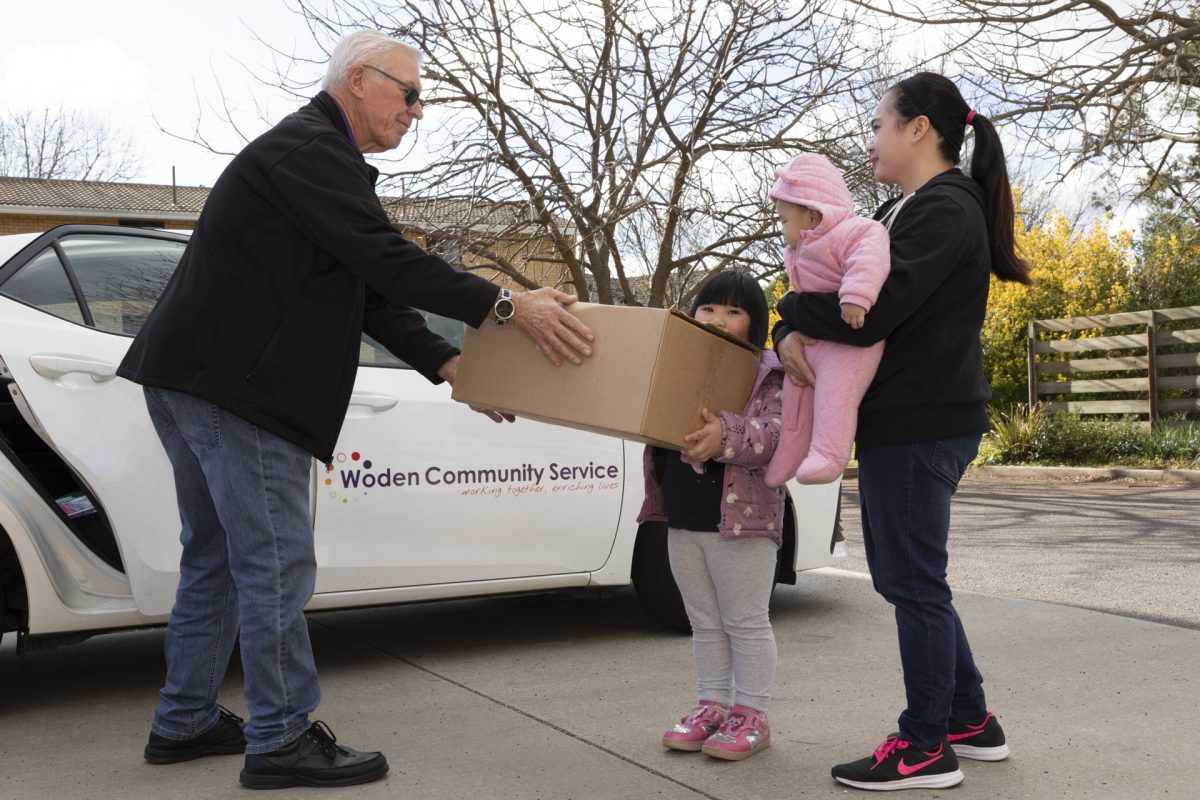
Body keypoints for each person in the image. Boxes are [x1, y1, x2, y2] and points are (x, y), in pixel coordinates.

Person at [117, 30, 593, 790]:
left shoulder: (316, 162)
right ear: (361, 80)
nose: (418, 111)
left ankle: (186, 719)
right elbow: (386, 259)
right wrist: (508, 304)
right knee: (272, 562)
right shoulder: (312, 152)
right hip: (237, 390)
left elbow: (364, 287)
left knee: (217, 558)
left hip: (194, 380)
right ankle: (279, 739)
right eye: (411, 94)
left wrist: (449, 364)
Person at [773, 72, 1030, 791]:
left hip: (922, 421)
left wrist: (791, 315)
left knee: (912, 581)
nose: (871, 139)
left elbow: (873, 311)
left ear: (919, 129)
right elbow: (837, 294)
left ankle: (924, 746)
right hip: (902, 420)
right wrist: (789, 323)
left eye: (880, 124)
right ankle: (969, 720)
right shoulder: (900, 208)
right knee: (911, 578)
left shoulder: (945, 209)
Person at [639, 271, 784, 762]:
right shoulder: (676, 362)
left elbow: (777, 436)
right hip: (681, 514)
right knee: (703, 621)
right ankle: (713, 706)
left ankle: (752, 714)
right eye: (708, 309)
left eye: (733, 311)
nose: (718, 320)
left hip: (743, 521)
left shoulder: (769, 371)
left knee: (744, 620)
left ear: (754, 323)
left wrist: (725, 434)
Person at [762, 153, 890, 487]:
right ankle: (791, 448)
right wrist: (788, 327)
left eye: (784, 220)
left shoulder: (855, 231)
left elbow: (870, 255)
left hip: (848, 345)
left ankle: (830, 454)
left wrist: (855, 297)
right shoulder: (798, 251)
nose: (781, 230)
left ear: (813, 213)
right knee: (796, 393)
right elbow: (794, 298)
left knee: (836, 393)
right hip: (812, 339)